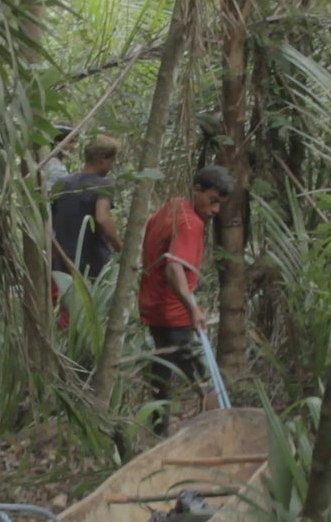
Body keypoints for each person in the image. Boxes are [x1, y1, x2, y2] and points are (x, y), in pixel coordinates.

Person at [138, 165, 234, 436]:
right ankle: (223, 434)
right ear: (197, 190)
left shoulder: (172, 206)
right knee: (205, 379)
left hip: (154, 309)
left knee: (162, 372)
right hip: (176, 313)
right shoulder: (191, 224)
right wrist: (192, 308)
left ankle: (158, 432)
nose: (215, 209)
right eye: (212, 201)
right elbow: (173, 268)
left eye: (220, 204)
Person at [51, 135, 122, 280]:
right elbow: (102, 218)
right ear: (103, 159)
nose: (112, 165)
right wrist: (121, 248)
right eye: (112, 160)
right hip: (94, 266)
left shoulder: (62, 184)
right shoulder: (103, 185)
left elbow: (52, 223)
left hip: (64, 265)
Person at [42, 124, 77, 192]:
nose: (74, 146)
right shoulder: (56, 168)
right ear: (58, 142)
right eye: (71, 142)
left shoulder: (51, 162)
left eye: (75, 142)